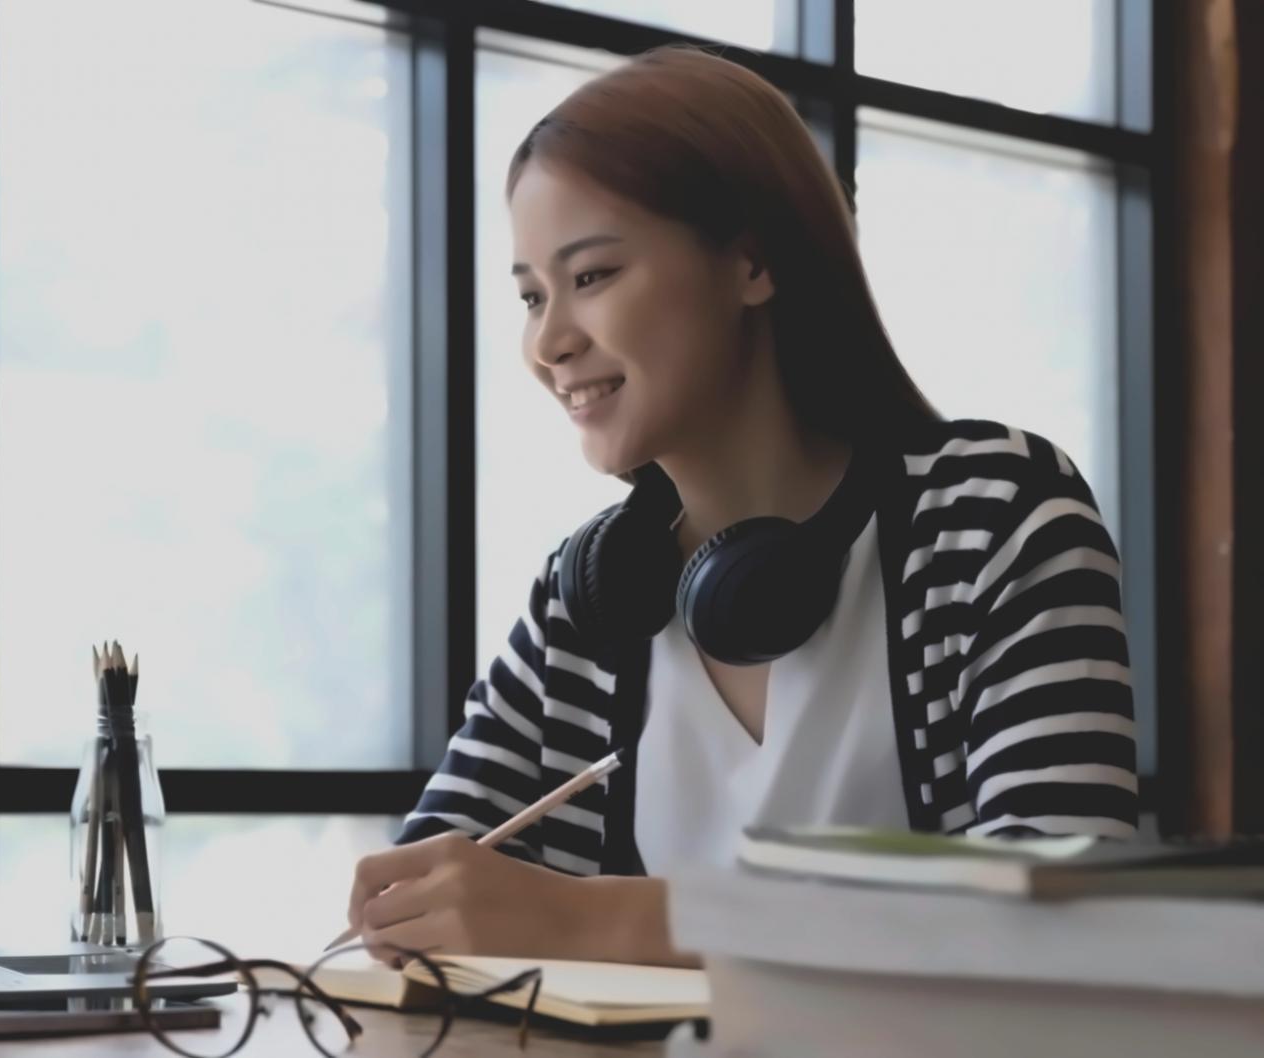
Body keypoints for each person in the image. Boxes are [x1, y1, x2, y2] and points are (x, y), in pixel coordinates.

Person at [346, 46, 1138, 968]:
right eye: (531, 296)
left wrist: (583, 920)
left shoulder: (999, 519)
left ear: (752, 261)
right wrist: (417, 913)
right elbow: (418, 897)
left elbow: (1059, 924)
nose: (551, 341)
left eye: (592, 276)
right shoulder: (589, 598)